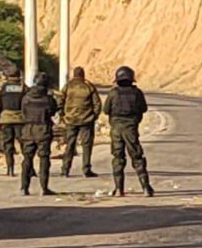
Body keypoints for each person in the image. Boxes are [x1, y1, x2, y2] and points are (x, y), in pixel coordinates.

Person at [103, 66, 154, 197]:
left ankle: (119, 189)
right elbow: (143, 108)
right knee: (137, 157)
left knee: (118, 158)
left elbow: (106, 110)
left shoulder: (113, 93)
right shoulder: (137, 93)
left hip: (116, 130)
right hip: (131, 129)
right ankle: (146, 188)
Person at [59, 67, 102, 178]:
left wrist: (62, 115)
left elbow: (60, 101)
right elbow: (97, 103)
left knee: (70, 145)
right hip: (86, 120)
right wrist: (94, 116)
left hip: (70, 120)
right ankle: (86, 169)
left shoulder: (68, 86)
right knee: (86, 145)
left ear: (74, 75)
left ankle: (65, 169)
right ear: (83, 75)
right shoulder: (89, 86)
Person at [20, 72, 58, 196]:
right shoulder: (48, 99)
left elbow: (23, 112)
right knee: (44, 159)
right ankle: (44, 188)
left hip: (28, 130)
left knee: (27, 159)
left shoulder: (26, 98)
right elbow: (53, 111)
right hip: (43, 130)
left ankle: (24, 187)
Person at [0, 67, 27, 176]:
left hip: (5, 120)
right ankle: (28, 168)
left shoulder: (3, 89)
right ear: (19, 76)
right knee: (24, 145)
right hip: (21, 120)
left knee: (8, 145)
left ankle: (10, 169)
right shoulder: (24, 88)